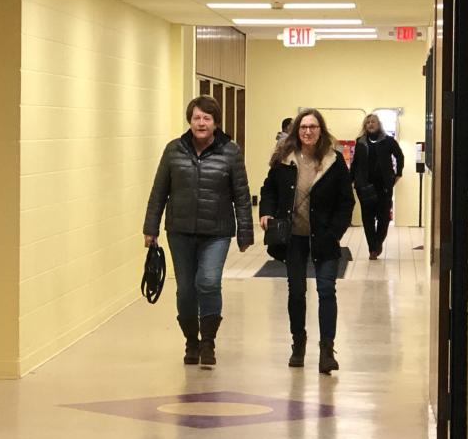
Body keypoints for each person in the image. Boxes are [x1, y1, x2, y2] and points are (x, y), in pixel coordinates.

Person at [143, 96, 254, 369]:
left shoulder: (231, 151)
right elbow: (159, 191)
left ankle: (208, 342)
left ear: (216, 122)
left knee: (207, 281)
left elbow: (241, 194)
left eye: (206, 118)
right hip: (179, 231)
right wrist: (150, 228)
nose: (201, 123)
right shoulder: (173, 150)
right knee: (185, 291)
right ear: (189, 121)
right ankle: (191, 341)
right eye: (196, 118)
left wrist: (245, 233)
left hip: (216, 231)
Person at [259, 109, 354, 374]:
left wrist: (335, 232)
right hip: (294, 238)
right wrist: (266, 211)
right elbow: (268, 189)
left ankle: (326, 350)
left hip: (324, 238)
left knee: (326, 291)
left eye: (313, 127)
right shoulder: (284, 160)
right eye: (303, 127)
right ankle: (298, 345)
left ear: (320, 130)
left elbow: (346, 201)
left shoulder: (334, 162)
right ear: (296, 131)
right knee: (296, 291)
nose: (308, 131)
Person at [350, 113, 404, 260]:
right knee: (367, 218)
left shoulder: (388, 141)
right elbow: (355, 163)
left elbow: (400, 156)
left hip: (383, 186)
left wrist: (398, 174)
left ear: (378, 124)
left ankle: (378, 242)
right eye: (367, 123)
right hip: (364, 186)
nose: (370, 124)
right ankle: (372, 248)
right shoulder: (360, 142)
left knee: (384, 217)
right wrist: (352, 179)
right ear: (364, 126)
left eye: (373, 122)